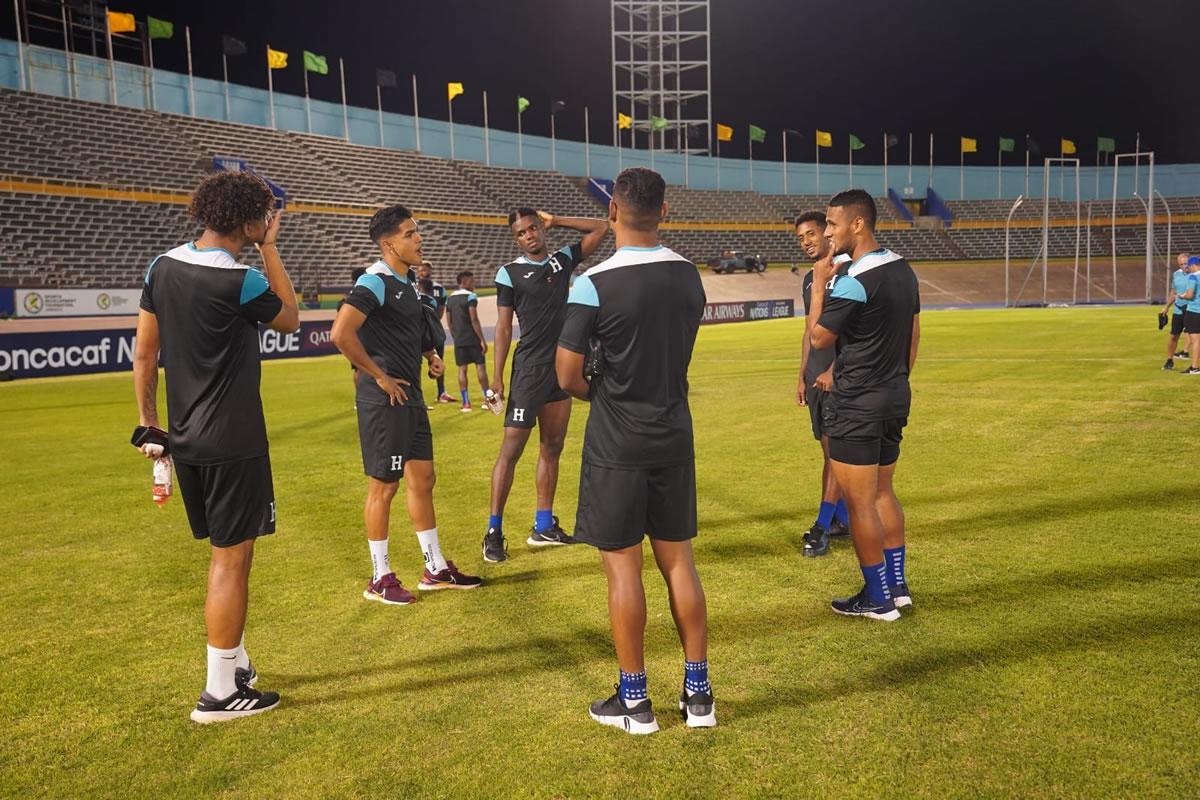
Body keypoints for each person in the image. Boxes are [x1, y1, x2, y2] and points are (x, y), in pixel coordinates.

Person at [132, 171, 298, 722]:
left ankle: (237, 663)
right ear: (251, 221)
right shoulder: (239, 280)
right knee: (232, 561)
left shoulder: (162, 265)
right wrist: (270, 251)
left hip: (185, 438)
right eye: (265, 216)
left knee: (222, 555)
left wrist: (150, 424)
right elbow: (290, 317)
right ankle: (220, 692)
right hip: (233, 439)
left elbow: (143, 355)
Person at [556, 167, 713, 734]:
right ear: (664, 210)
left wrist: (605, 390)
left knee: (624, 570)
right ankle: (700, 696)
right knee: (680, 563)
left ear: (613, 212)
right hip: (674, 432)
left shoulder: (593, 281)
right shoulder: (689, 274)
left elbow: (568, 374)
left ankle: (635, 702)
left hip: (618, 439)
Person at [331, 205, 482, 606]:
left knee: (424, 480)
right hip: (384, 399)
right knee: (384, 486)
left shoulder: (407, 282)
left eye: (417, 232)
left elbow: (406, 331)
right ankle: (379, 577)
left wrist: (430, 354)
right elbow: (341, 333)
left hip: (410, 396)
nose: (419, 239)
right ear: (389, 244)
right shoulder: (375, 281)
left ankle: (434, 567)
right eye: (411, 234)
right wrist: (377, 376)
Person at [807, 189, 921, 622]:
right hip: (894, 395)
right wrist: (898, 380)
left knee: (859, 504)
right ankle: (897, 585)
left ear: (858, 224)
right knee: (884, 492)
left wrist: (820, 285)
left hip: (857, 403)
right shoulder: (903, 270)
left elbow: (819, 337)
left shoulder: (851, 279)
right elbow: (913, 335)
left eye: (833, 224)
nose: (828, 232)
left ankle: (877, 598)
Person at [482, 207, 609, 562]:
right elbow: (504, 328)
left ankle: (543, 525)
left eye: (532, 228)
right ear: (516, 239)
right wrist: (497, 377)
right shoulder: (509, 273)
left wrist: (559, 220)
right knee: (511, 452)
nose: (528, 236)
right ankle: (493, 530)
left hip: (561, 369)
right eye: (521, 233)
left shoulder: (562, 261)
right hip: (528, 372)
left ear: (541, 227)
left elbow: (601, 227)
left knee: (552, 446)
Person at [795, 211, 852, 557]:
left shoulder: (844, 271)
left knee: (835, 453)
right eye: (801, 238)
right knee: (828, 452)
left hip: (835, 378)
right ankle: (843, 518)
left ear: (827, 234)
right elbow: (808, 329)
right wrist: (801, 373)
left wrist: (833, 369)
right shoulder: (809, 279)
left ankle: (823, 525)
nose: (806, 242)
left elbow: (851, 330)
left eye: (812, 234)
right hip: (814, 377)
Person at [445, 270, 502, 414]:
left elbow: (449, 321)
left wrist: (455, 335)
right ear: (464, 282)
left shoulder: (450, 299)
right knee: (480, 368)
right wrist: (482, 339)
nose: (474, 283)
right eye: (471, 281)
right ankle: (486, 400)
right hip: (472, 338)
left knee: (462, 369)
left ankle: (466, 403)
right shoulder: (471, 297)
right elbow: (474, 319)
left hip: (459, 339)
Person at [417, 260, 455, 404]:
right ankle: (417, 396)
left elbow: (439, 313)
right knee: (415, 362)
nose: (422, 273)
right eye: (420, 270)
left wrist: (430, 325)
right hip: (417, 332)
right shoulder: (412, 286)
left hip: (433, 332)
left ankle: (441, 392)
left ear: (430, 271)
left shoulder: (439, 289)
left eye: (424, 270)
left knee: (438, 360)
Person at [1162, 252, 1192, 370]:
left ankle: (1194, 364)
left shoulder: (1196, 275)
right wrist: (1166, 307)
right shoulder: (1176, 275)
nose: (1184, 266)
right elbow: (1173, 293)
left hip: (1192, 310)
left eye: (1186, 263)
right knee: (1174, 336)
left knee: (1194, 337)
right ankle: (1169, 360)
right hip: (1178, 310)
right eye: (1181, 264)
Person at [1181, 257, 1200, 375]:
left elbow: (1190, 295)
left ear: (1193, 265)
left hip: (1194, 311)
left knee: (1195, 340)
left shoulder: (1193, 277)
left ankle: (1194, 367)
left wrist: (1182, 296)